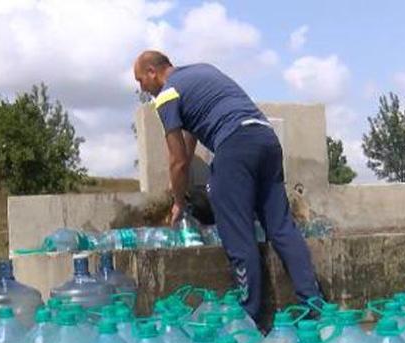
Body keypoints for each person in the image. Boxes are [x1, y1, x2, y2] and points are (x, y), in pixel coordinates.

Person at [133, 51, 321, 322]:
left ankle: (248, 320)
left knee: (238, 235)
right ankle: (315, 306)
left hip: (235, 147)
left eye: (140, 80)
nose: (142, 88)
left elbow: (177, 162)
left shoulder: (167, 95)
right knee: (281, 228)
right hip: (266, 139)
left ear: (152, 71)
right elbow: (190, 142)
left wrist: (178, 201)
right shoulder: (203, 70)